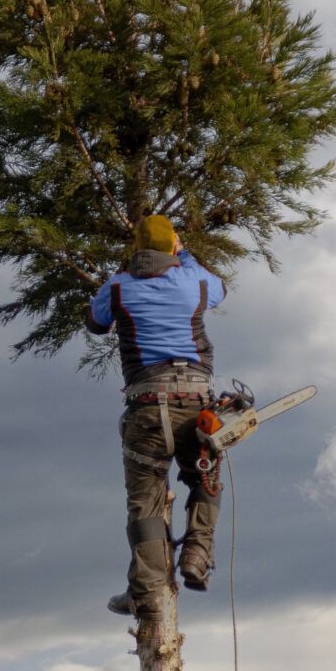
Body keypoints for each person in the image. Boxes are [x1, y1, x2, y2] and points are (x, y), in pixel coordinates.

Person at [86, 214, 227, 620]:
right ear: (172, 247)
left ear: (135, 249)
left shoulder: (117, 288)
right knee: (206, 476)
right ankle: (197, 556)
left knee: (145, 503)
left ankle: (146, 595)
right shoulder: (193, 280)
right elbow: (220, 288)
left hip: (147, 406)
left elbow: (96, 324)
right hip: (196, 403)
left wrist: (123, 273)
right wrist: (184, 253)